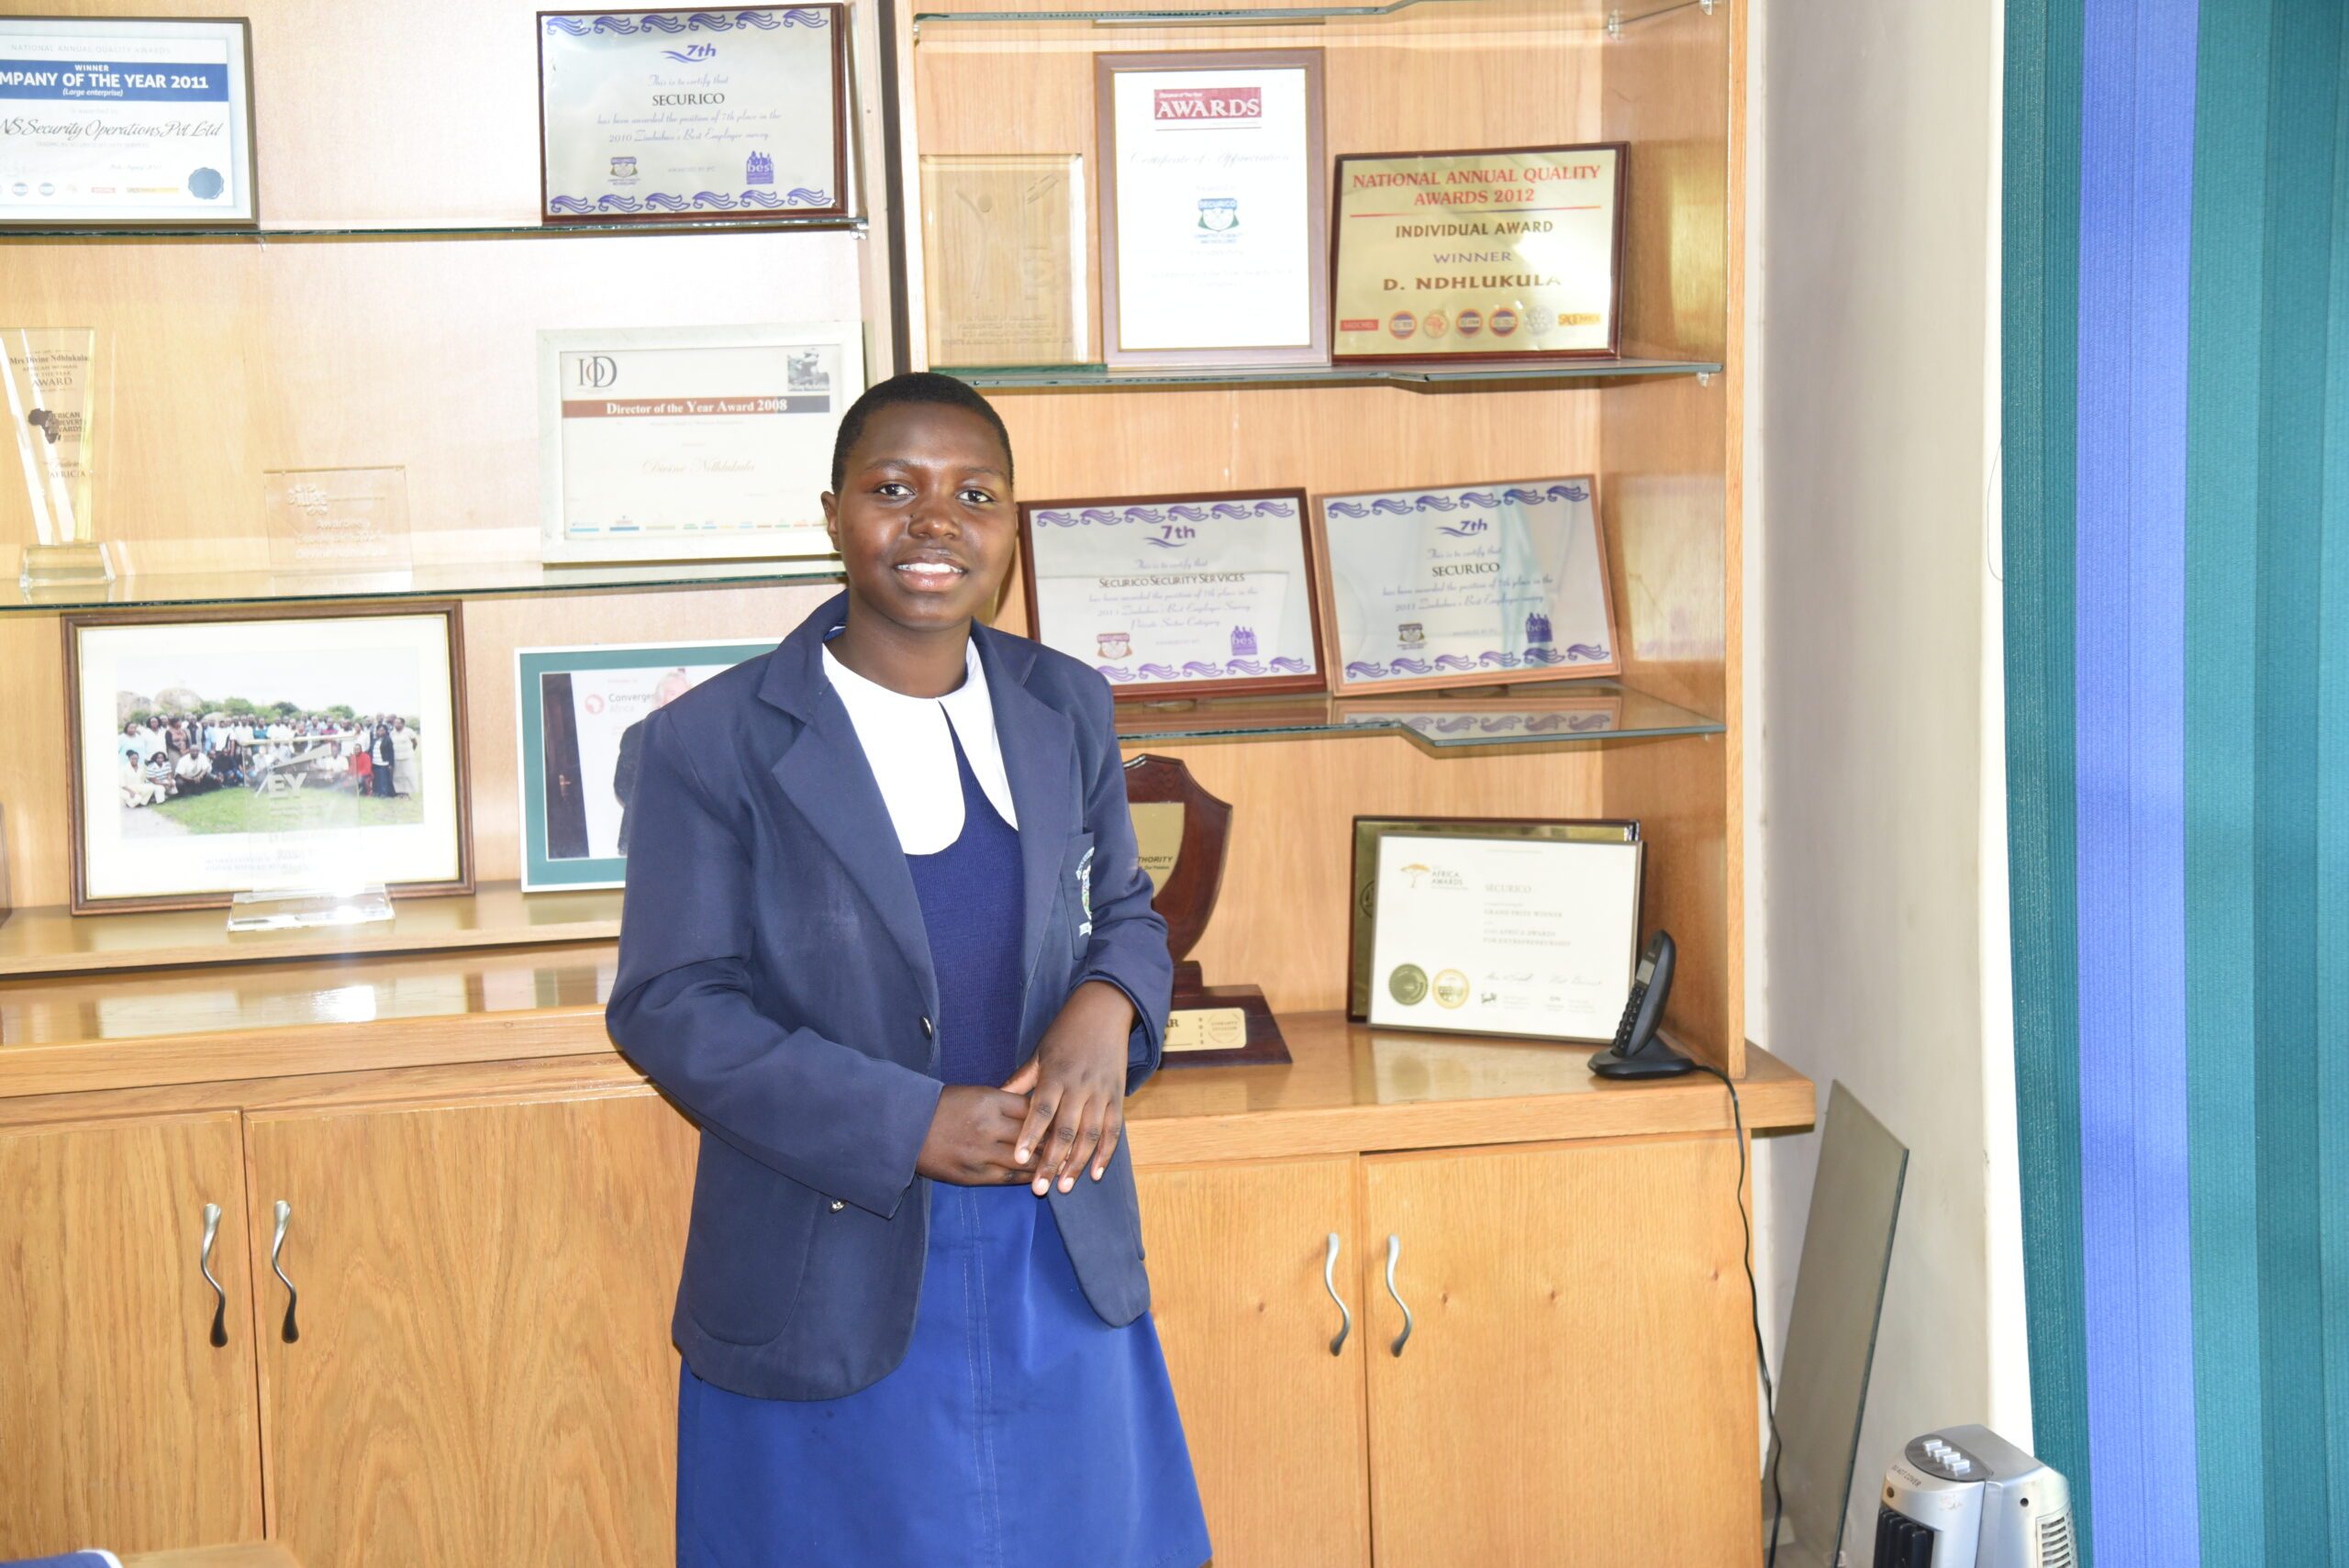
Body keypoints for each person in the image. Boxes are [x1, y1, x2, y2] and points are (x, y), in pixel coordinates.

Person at [606, 373, 1210, 1568]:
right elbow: (672, 1005)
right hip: (826, 1267)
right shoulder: (708, 742)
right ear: (833, 514)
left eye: (973, 494)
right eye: (895, 490)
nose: (936, 524)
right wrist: (908, 1122)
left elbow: (1125, 916)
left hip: (1057, 1256)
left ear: (1011, 525)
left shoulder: (1065, 706)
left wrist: (1110, 1005)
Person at [390, 717, 419, 797]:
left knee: (408, 775)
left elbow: (415, 743)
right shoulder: (392, 733)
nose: (396, 724)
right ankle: (399, 792)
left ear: (403, 724)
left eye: (398, 723)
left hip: (407, 757)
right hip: (396, 757)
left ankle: (407, 793)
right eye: (395, 723)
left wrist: (410, 751)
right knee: (397, 776)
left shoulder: (409, 731)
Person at [371, 716, 395, 798]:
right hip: (375, 762)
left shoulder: (388, 740)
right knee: (376, 779)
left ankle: (384, 793)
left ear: (385, 731)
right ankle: (377, 792)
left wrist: (391, 764)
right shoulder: (375, 740)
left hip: (384, 763)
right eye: (379, 730)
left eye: (382, 730)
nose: (381, 731)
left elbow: (391, 753)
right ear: (377, 731)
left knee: (384, 780)